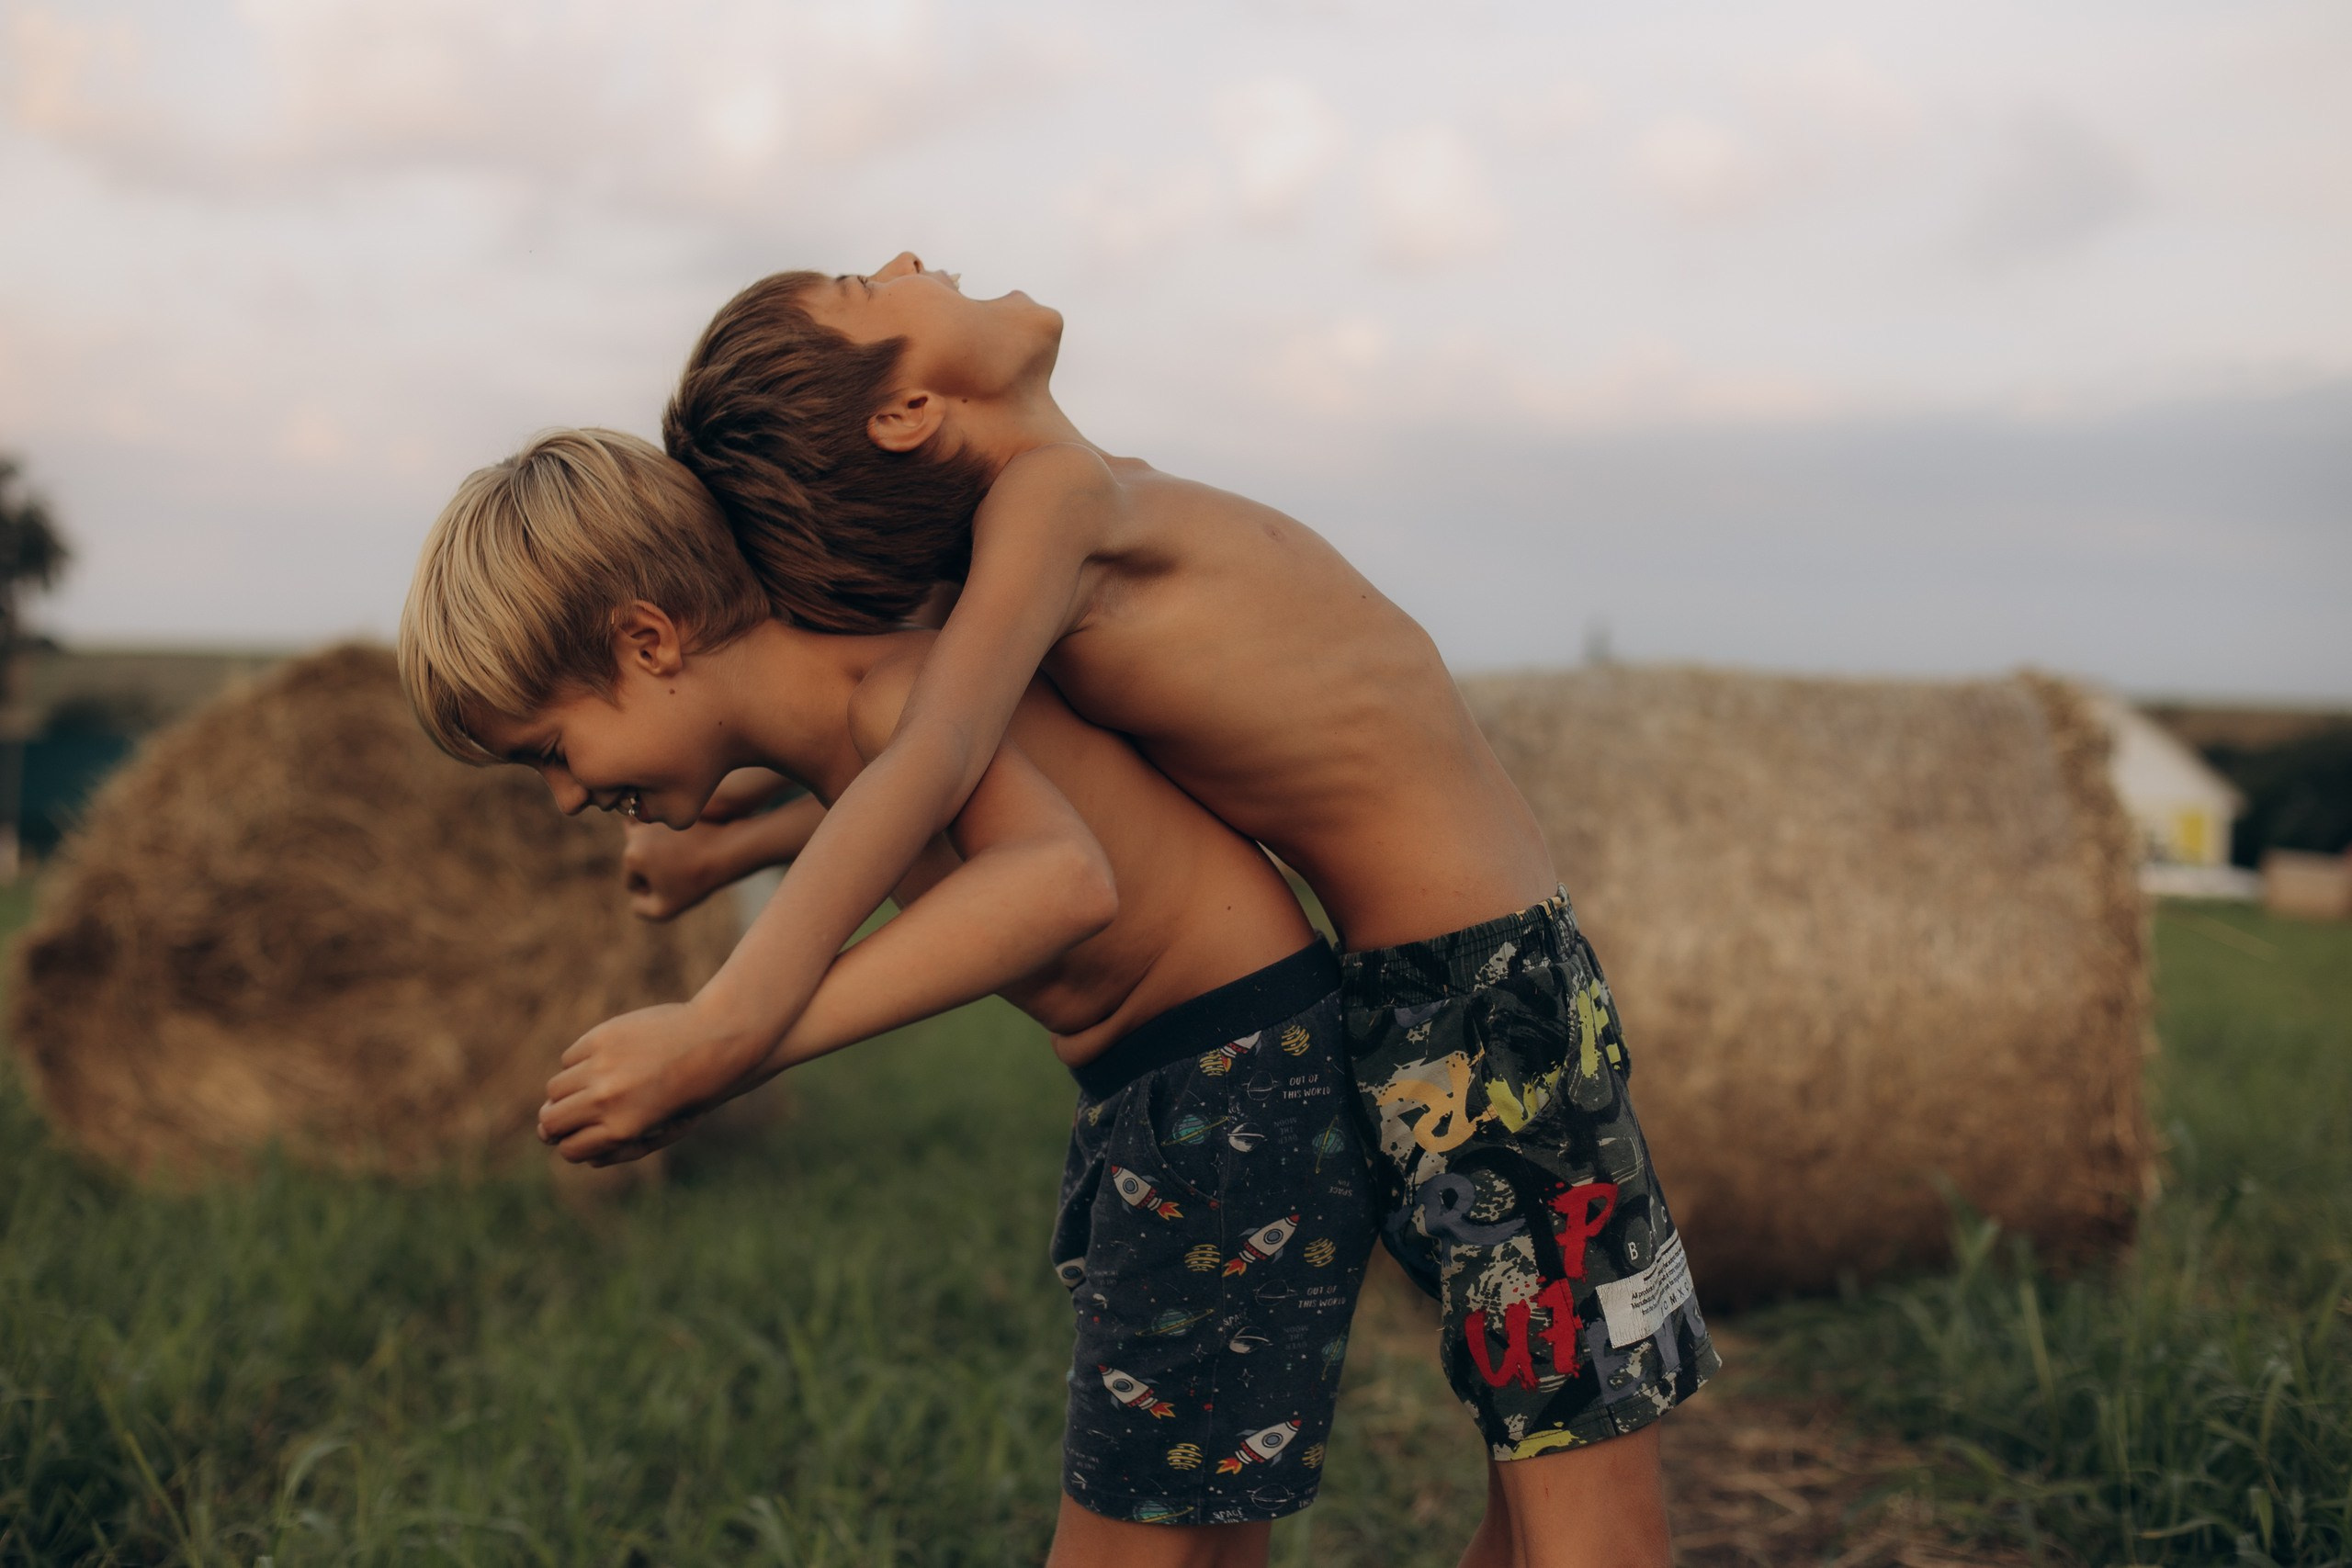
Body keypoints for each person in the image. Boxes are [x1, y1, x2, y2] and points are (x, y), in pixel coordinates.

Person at [594, 254, 1716, 1568]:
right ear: (904, 413)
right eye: (860, 286)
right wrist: (728, 1018)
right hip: (1482, 1002)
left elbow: (955, 749)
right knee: (1586, 1473)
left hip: (1436, 1005)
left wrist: (732, 841)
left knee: (1532, 1482)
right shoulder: (1054, 505)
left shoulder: (1053, 536)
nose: (901, 261)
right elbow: (932, 754)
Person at [397, 428, 1381, 1566]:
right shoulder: (857, 707)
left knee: (1131, 1537)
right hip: (1205, 1076)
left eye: (551, 751)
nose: (566, 798)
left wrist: (734, 1043)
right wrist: (726, 853)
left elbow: (1059, 881)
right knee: (1199, 1530)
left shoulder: (897, 693)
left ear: (647, 640)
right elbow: (897, 814)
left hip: (1228, 1081)